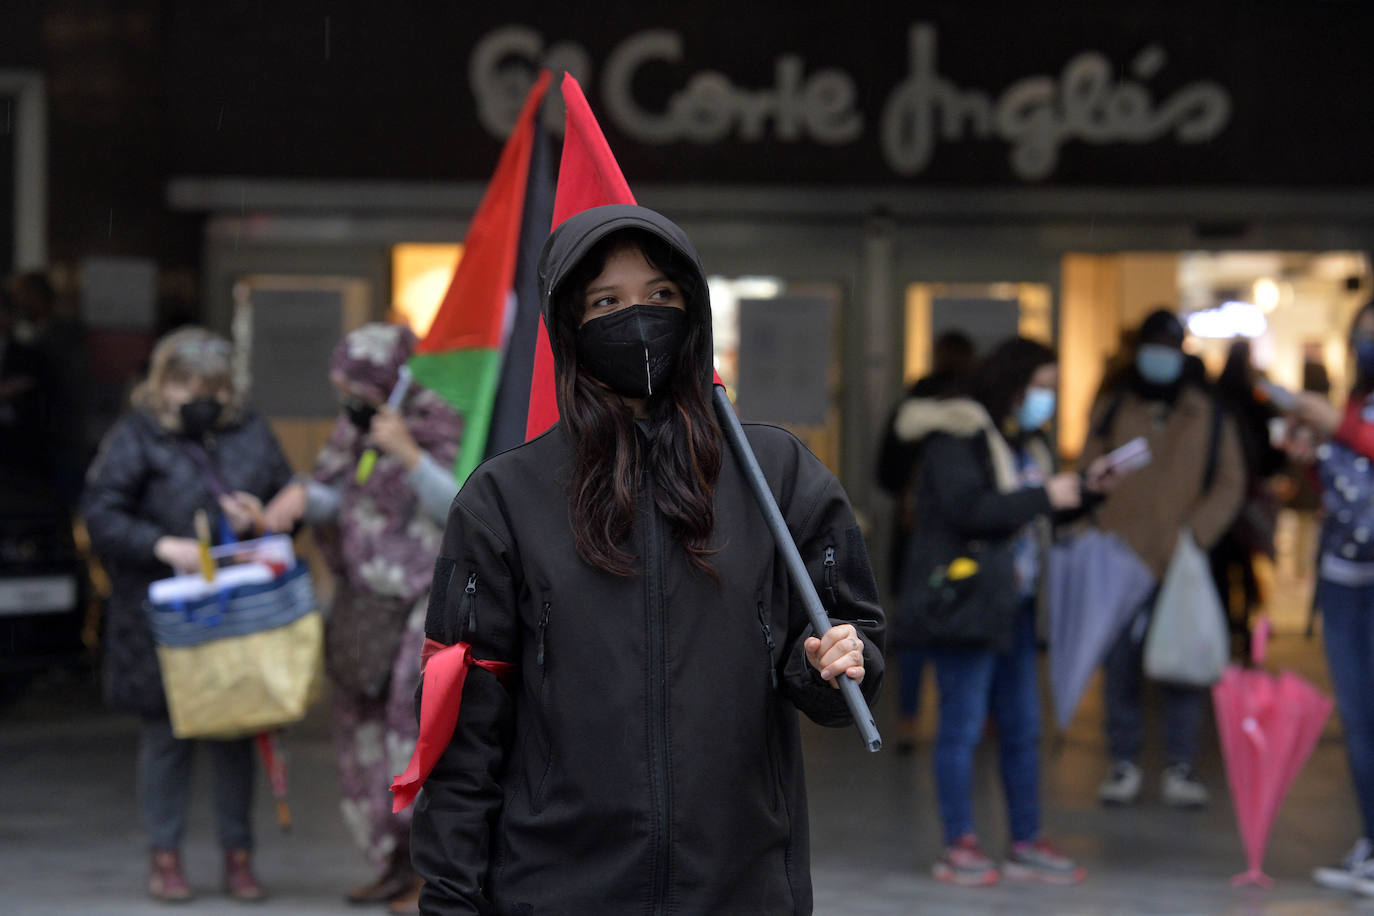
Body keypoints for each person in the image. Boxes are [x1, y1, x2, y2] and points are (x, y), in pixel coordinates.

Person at [407, 205, 884, 913]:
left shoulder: (775, 472)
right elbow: (465, 734)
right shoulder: (504, 500)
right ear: (569, 324)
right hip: (555, 890)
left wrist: (834, 663)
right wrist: (450, 900)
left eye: (661, 295)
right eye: (607, 302)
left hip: (740, 888)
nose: (639, 318)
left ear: (694, 310)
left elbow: (847, 645)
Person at [81, 327, 296, 903]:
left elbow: (286, 498)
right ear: (162, 385)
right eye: (185, 383)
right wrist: (161, 546)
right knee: (166, 739)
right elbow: (101, 511)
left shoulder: (250, 430)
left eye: (213, 385)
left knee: (234, 735)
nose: (199, 394)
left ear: (230, 389)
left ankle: (239, 857)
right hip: (162, 617)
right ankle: (166, 858)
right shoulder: (138, 435)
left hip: (237, 613)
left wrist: (262, 517)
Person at [894, 336, 1110, 886]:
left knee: (1020, 728)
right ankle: (959, 843)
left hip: (1012, 605)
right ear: (1012, 382)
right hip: (966, 604)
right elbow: (969, 509)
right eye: (1041, 387)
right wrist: (1045, 498)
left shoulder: (1025, 441)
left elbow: (1033, 510)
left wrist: (1086, 492)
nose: (1047, 399)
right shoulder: (958, 435)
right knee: (961, 728)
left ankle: (1024, 841)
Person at [262, 323, 462, 915]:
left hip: (423, 608)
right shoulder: (357, 430)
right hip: (362, 603)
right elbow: (340, 495)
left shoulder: (442, 422)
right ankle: (389, 863)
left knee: (412, 736)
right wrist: (299, 499)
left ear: (391, 380)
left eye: (357, 384)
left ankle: (428, 872)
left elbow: (465, 508)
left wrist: (410, 454)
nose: (348, 396)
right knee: (361, 739)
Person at [1080, 310, 1245, 809]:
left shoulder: (1208, 413)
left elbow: (1230, 482)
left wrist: (1196, 533)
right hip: (1121, 558)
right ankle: (1123, 761)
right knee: (1121, 663)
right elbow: (1089, 470)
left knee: (1182, 662)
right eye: (1153, 345)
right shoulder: (1112, 407)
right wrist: (1104, 524)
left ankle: (1180, 765)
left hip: (1182, 559)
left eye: (1169, 347)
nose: (1160, 356)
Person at [1284, 301, 1374, 896]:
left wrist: (1339, 428)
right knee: (1361, 721)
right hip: (1346, 579)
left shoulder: (1350, 417)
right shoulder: (1354, 405)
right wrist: (1311, 461)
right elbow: (1344, 485)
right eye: (1364, 335)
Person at [875, 330, 976, 753]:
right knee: (966, 630)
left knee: (914, 630)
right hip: (966, 540)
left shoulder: (909, 411)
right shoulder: (975, 414)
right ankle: (971, 719)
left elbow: (884, 473)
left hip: (914, 538)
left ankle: (908, 721)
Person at [1211, 340, 1286, 656]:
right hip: (1245, 492)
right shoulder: (1254, 396)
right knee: (1243, 562)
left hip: (1222, 494)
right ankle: (1241, 625)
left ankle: (1229, 624)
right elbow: (1275, 436)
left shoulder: (1217, 396)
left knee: (1224, 566)